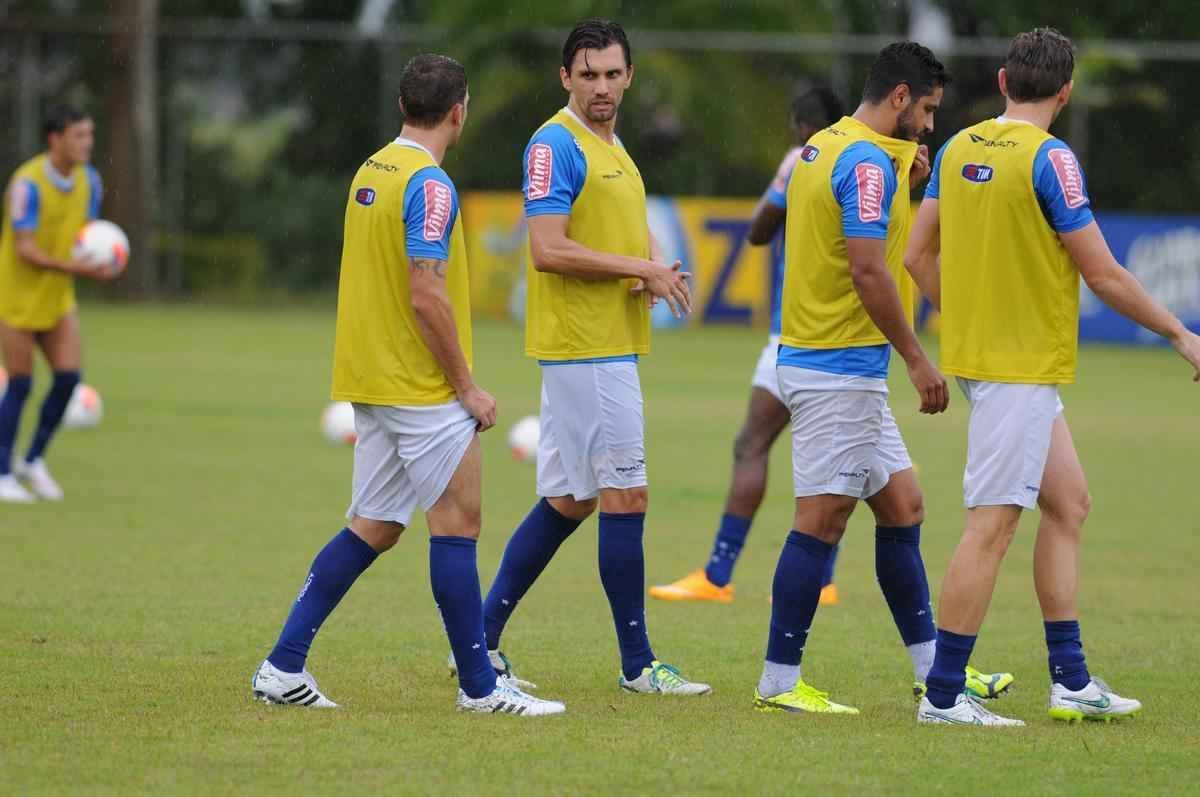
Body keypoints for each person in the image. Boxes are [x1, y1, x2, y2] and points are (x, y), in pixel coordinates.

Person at [250, 54, 563, 716]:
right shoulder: (432, 184)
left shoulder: (372, 169)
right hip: (419, 386)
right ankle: (480, 687)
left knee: (374, 525)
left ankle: (283, 664)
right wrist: (467, 387)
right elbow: (426, 293)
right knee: (457, 524)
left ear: (401, 105)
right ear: (459, 112)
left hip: (369, 378)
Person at [907, 28, 1200, 726]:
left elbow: (918, 257)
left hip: (989, 362)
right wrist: (1179, 332)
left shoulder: (960, 146)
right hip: (1019, 368)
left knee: (1068, 503)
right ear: (1065, 92)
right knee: (992, 527)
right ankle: (945, 696)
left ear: (1004, 82)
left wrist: (972, 314)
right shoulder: (1053, 160)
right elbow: (1101, 271)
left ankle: (1070, 679)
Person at [753, 42, 1011, 715]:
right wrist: (918, 358)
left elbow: (860, 242)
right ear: (899, 97)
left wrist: (912, 184)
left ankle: (935, 672)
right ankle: (780, 680)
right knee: (821, 518)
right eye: (926, 109)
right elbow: (868, 268)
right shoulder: (867, 162)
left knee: (903, 504)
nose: (929, 125)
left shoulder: (831, 145)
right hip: (839, 368)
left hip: (828, 360)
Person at [469, 19, 708, 695]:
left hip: (603, 344)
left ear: (629, 75)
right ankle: (639, 666)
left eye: (612, 74)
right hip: (586, 350)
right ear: (565, 77)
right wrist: (639, 264)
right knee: (624, 495)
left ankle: (478, 640)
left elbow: (590, 241)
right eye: (588, 74)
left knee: (570, 499)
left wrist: (640, 274)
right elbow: (547, 248)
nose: (601, 87)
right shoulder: (554, 143)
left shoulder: (612, 142)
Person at [650, 87, 847, 606]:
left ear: (803, 126)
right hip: (847, 336)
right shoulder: (866, 162)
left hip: (799, 334)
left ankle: (718, 575)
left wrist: (789, 172)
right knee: (845, 458)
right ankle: (822, 579)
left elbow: (760, 231)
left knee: (754, 444)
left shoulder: (805, 157)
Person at [0, 105, 112, 504]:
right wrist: (75, 266)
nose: (87, 143)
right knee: (21, 383)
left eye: (90, 134)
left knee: (67, 379)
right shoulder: (26, 185)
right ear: (55, 138)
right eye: (79, 135)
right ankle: (2, 472)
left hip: (57, 297)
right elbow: (25, 248)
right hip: (15, 297)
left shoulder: (90, 181)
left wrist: (102, 255)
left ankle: (33, 460)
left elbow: (88, 235)